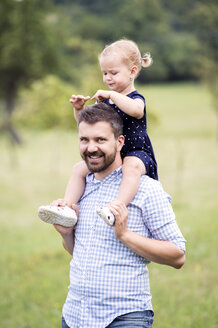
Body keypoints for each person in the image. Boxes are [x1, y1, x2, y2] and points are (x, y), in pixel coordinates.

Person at [52, 103, 186, 328]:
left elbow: (178, 255)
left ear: (120, 141)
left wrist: (124, 235)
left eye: (100, 140)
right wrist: (66, 234)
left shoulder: (145, 189)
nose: (91, 148)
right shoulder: (80, 188)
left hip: (124, 318)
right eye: (84, 140)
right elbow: (83, 253)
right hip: (75, 316)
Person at [38, 39, 158, 227]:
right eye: (104, 73)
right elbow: (88, 127)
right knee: (79, 169)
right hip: (109, 153)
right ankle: (67, 207)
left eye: (113, 73)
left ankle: (115, 208)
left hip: (136, 152)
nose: (108, 78)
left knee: (131, 167)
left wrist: (111, 96)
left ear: (132, 72)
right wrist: (79, 109)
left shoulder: (135, 98)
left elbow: (136, 111)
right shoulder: (106, 102)